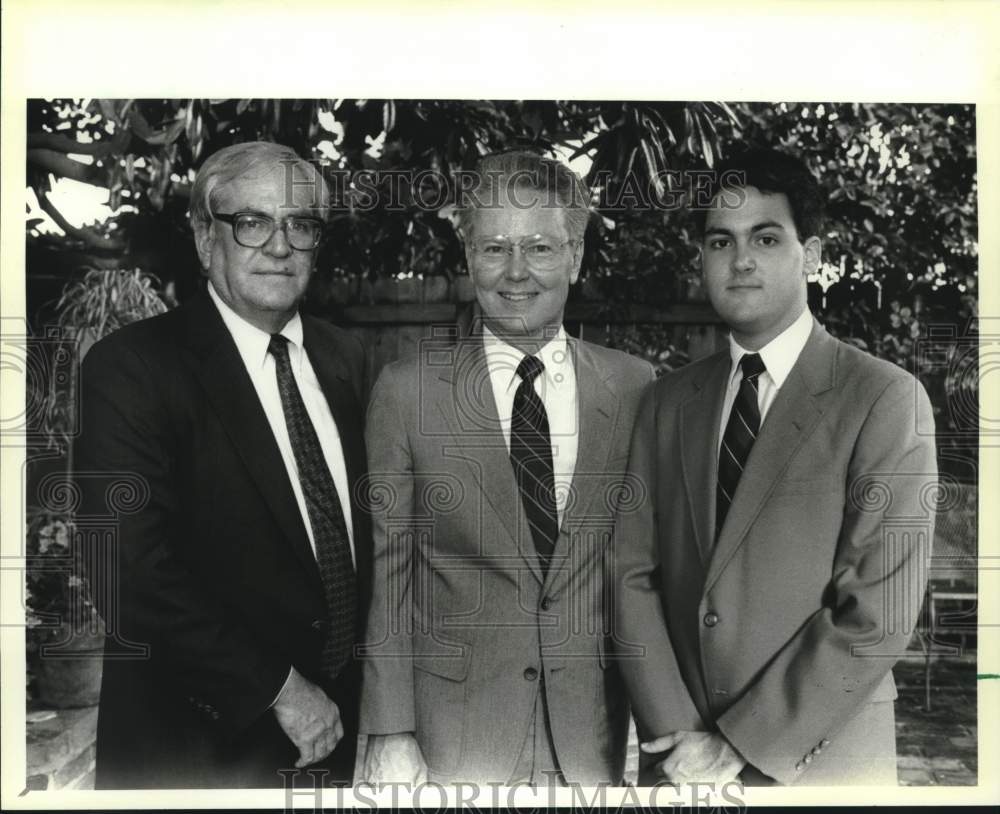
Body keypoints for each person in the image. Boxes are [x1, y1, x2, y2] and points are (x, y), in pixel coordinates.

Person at [614, 148, 937, 786]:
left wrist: (738, 743)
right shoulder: (667, 401)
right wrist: (677, 738)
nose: (741, 260)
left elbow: (879, 608)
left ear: (811, 255)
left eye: (766, 237)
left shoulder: (881, 397)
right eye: (719, 241)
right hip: (680, 758)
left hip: (820, 757)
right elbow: (630, 573)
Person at [75, 141, 371, 788]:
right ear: (206, 237)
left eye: (301, 224)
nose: (280, 245)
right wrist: (282, 691)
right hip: (198, 750)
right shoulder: (133, 368)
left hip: (345, 744)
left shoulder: (352, 361)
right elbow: (129, 572)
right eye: (253, 221)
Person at [358, 151, 655, 785]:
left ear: (576, 257)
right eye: (494, 248)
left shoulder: (633, 388)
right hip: (451, 738)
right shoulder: (407, 391)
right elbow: (391, 574)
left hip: (590, 738)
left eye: (541, 248)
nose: (516, 273)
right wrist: (389, 730)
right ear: (467, 257)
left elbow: (645, 570)